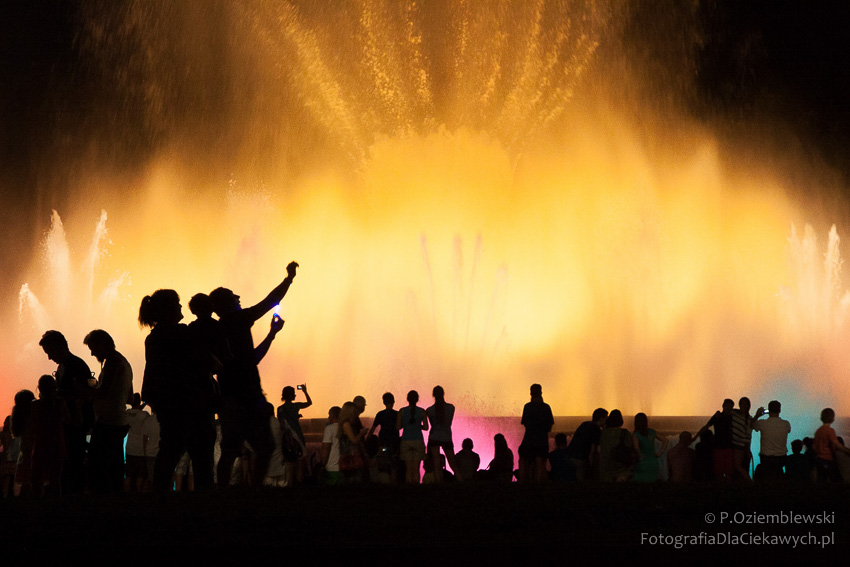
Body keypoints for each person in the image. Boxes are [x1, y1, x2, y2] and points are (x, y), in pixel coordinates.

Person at [210, 261, 297, 487]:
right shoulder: (239, 320)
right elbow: (270, 301)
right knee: (265, 447)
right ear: (227, 303)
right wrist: (289, 279)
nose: (238, 297)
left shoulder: (217, 329)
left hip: (229, 397)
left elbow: (252, 358)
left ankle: (221, 493)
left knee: (229, 450)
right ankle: (255, 490)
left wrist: (271, 334)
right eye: (233, 296)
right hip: (248, 396)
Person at [139, 289, 217, 491]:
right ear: (169, 309)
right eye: (177, 304)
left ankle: (160, 493)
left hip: (169, 404)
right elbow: (204, 358)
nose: (181, 307)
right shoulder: (181, 333)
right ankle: (204, 495)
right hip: (191, 402)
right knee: (200, 454)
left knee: (169, 451)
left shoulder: (154, 337)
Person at [39, 330, 94, 494]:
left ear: (59, 347)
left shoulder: (74, 366)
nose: (49, 357)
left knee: (73, 460)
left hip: (75, 423)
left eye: (50, 352)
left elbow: (84, 395)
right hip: (71, 422)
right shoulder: (71, 365)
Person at [83, 329, 134, 493]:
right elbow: (130, 397)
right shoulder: (124, 362)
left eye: (93, 348)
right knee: (115, 466)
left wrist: (87, 389)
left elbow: (104, 392)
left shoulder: (112, 362)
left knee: (98, 464)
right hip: (119, 421)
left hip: (108, 421)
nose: (92, 353)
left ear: (102, 344)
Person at [29, 375, 70, 496]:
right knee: (55, 480)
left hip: (40, 444)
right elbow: (68, 420)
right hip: (58, 444)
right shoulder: (60, 403)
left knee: (36, 479)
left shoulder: (35, 405)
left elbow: (32, 426)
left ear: (40, 388)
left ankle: (38, 503)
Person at [518, 383, 554, 483]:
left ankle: (521, 485)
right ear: (541, 393)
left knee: (524, 462)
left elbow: (525, 424)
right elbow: (549, 426)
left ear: (530, 393)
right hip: (542, 441)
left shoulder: (527, 407)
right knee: (541, 466)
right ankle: (539, 487)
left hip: (528, 440)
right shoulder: (546, 407)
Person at [278, 384, 312, 486]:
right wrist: (305, 391)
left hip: (287, 439)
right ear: (291, 396)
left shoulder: (280, 409)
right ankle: (299, 483)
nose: (295, 395)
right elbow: (309, 403)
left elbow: (282, 424)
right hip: (298, 437)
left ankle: (290, 485)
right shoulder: (296, 406)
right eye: (294, 394)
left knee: (289, 465)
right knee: (300, 462)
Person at [751, 400, 791, 481]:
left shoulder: (762, 423)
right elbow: (788, 430)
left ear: (769, 410)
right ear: (779, 410)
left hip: (766, 459)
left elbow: (751, 425)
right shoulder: (786, 424)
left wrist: (757, 415)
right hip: (781, 458)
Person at [696, 399, 735, 481]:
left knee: (725, 471)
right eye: (727, 406)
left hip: (725, 446)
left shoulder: (724, 417)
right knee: (722, 471)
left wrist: (694, 438)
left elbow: (706, 426)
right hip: (722, 446)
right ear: (723, 406)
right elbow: (706, 426)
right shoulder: (727, 417)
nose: (728, 408)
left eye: (730, 407)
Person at [425, 385, 458, 483]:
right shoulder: (451, 408)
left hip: (434, 436)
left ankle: (439, 484)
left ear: (433, 395)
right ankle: (461, 482)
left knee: (436, 463)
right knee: (453, 464)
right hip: (446, 436)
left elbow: (432, 425)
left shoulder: (429, 410)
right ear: (443, 394)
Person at [567, 408, 607, 481]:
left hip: (571, 455)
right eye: (606, 418)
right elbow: (592, 450)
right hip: (581, 458)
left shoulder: (584, 424)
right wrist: (591, 466)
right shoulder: (596, 430)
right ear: (601, 418)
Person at [367, 392, 400, 483]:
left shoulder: (380, 414)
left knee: (382, 464)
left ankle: (383, 483)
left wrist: (367, 439)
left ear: (384, 402)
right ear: (393, 402)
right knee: (394, 466)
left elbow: (373, 428)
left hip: (383, 443)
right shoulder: (397, 414)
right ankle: (393, 483)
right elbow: (400, 427)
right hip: (394, 442)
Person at [397, 390, 428, 484]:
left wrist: (406, 424)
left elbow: (398, 427)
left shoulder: (402, 411)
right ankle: (416, 488)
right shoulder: (422, 411)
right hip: (418, 440)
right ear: (417, 399)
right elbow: (426, 427)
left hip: (406, 440)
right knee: (416, 469)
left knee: (408, 469)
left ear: (407, 399)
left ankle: (409, 488)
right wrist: (418, 426)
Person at [813, 407, 850, 482]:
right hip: (827, 460)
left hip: (819, 459)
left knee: (821, 481)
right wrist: (848, 451)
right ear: (832, 418)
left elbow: (814, 446)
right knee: (836, 481)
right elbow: (837, 444)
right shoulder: (830, 431)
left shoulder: (818, 431)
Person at [631, 413, 668, 482]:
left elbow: (636, 448)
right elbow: (665, 440)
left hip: (642, 464)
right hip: (653, 462)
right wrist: (660, 453)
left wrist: (640, 457)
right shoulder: (652, 432)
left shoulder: (636, 435)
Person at [599, 409, 634, 482]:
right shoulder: (625, 433)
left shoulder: (603, 433)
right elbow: (630, 447)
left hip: (607, 466)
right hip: (621, 466)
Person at [338, 401, 367, 483]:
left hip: (349, 456)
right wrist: (361, 433)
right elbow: (354, 440)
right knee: (354, 480)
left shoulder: (345, 424)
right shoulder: (346, 424)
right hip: (350, 457)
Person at [731, 397, 755, 480]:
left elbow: (748, 436)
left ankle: (749, 482)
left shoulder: (749, 419)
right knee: (735, 469)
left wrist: (748, 449)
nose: (743, 406)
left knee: (737, 466)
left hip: (741, 446)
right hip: (734, 445)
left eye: (745, 404)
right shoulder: (734, 413)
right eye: (742, 404)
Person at [321, 406, 342, 486]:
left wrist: (322, 464)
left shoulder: (330, 428)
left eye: (329, 415)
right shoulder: (346, 428)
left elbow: (326, 448)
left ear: (333, 417)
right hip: (344, 466)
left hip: (332, 467)